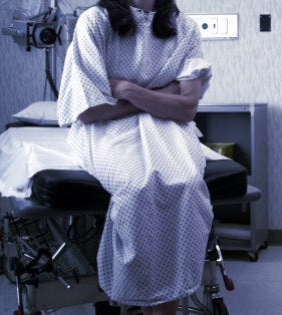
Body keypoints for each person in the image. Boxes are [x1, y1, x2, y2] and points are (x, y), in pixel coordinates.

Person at [57, 0, 213, 314]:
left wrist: (127, 89)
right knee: (137, 185)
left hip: (168, 128)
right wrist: (160, 96)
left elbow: (186, 108)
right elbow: (89, 110)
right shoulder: (95, 22)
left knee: (185, 182)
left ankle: (168, 300)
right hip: (106, 128)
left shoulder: (185, 29)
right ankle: (139, 298)